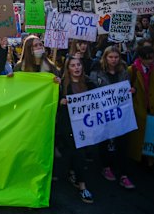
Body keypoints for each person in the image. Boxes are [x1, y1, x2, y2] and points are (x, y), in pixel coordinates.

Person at [88, 46, 136, 189]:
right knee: (104, 141)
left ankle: (123, 175)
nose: (113, 60)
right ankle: (106, 167)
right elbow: (91, 88)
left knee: (122, 142)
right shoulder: (97, 71)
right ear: (105, 57)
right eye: (110, 57)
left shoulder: (124, 71)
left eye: (116, 57)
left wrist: (133, 91)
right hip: (103, 113)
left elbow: (129, 88)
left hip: (120, 113)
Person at [59, 57, 96, 203]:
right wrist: (60, 101)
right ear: (68, 68)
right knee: (78, 153)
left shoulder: (89, 83)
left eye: (79, 64)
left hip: (85, 125)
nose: (76, 68)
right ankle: (82, 186)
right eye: (73, 65)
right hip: (68, 125)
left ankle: (72, 172)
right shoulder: (61, 85)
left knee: (75, 153)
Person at [127, 45, 154, 164]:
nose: (150, 61)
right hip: (138, 108)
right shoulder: (132, 70)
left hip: (153, 108)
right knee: (138, 137)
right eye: (147, 58)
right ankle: (137, 158)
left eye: (152, 58)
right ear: (141, 58)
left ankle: (149, 160)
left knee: (151, 135)